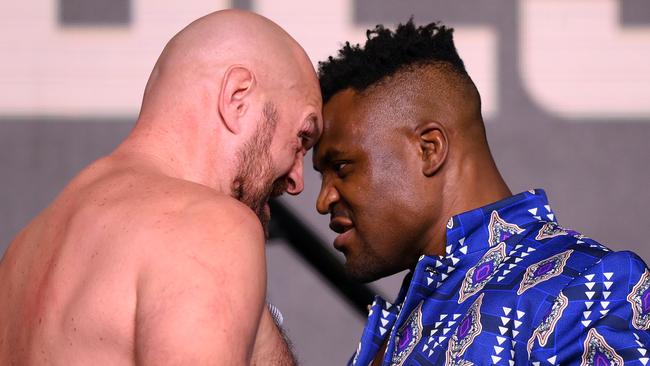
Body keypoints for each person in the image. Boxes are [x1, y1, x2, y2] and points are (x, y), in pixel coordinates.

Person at [314, 19, 650, 365]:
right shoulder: (399, 325)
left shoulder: (588, 286)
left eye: (341, 168)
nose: (323, 200)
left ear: (429, 149)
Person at [0, 9, 321, 365]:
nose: (297, 179)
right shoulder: (207, 227)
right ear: (237, 97)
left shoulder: (23, 252)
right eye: (302, 137)